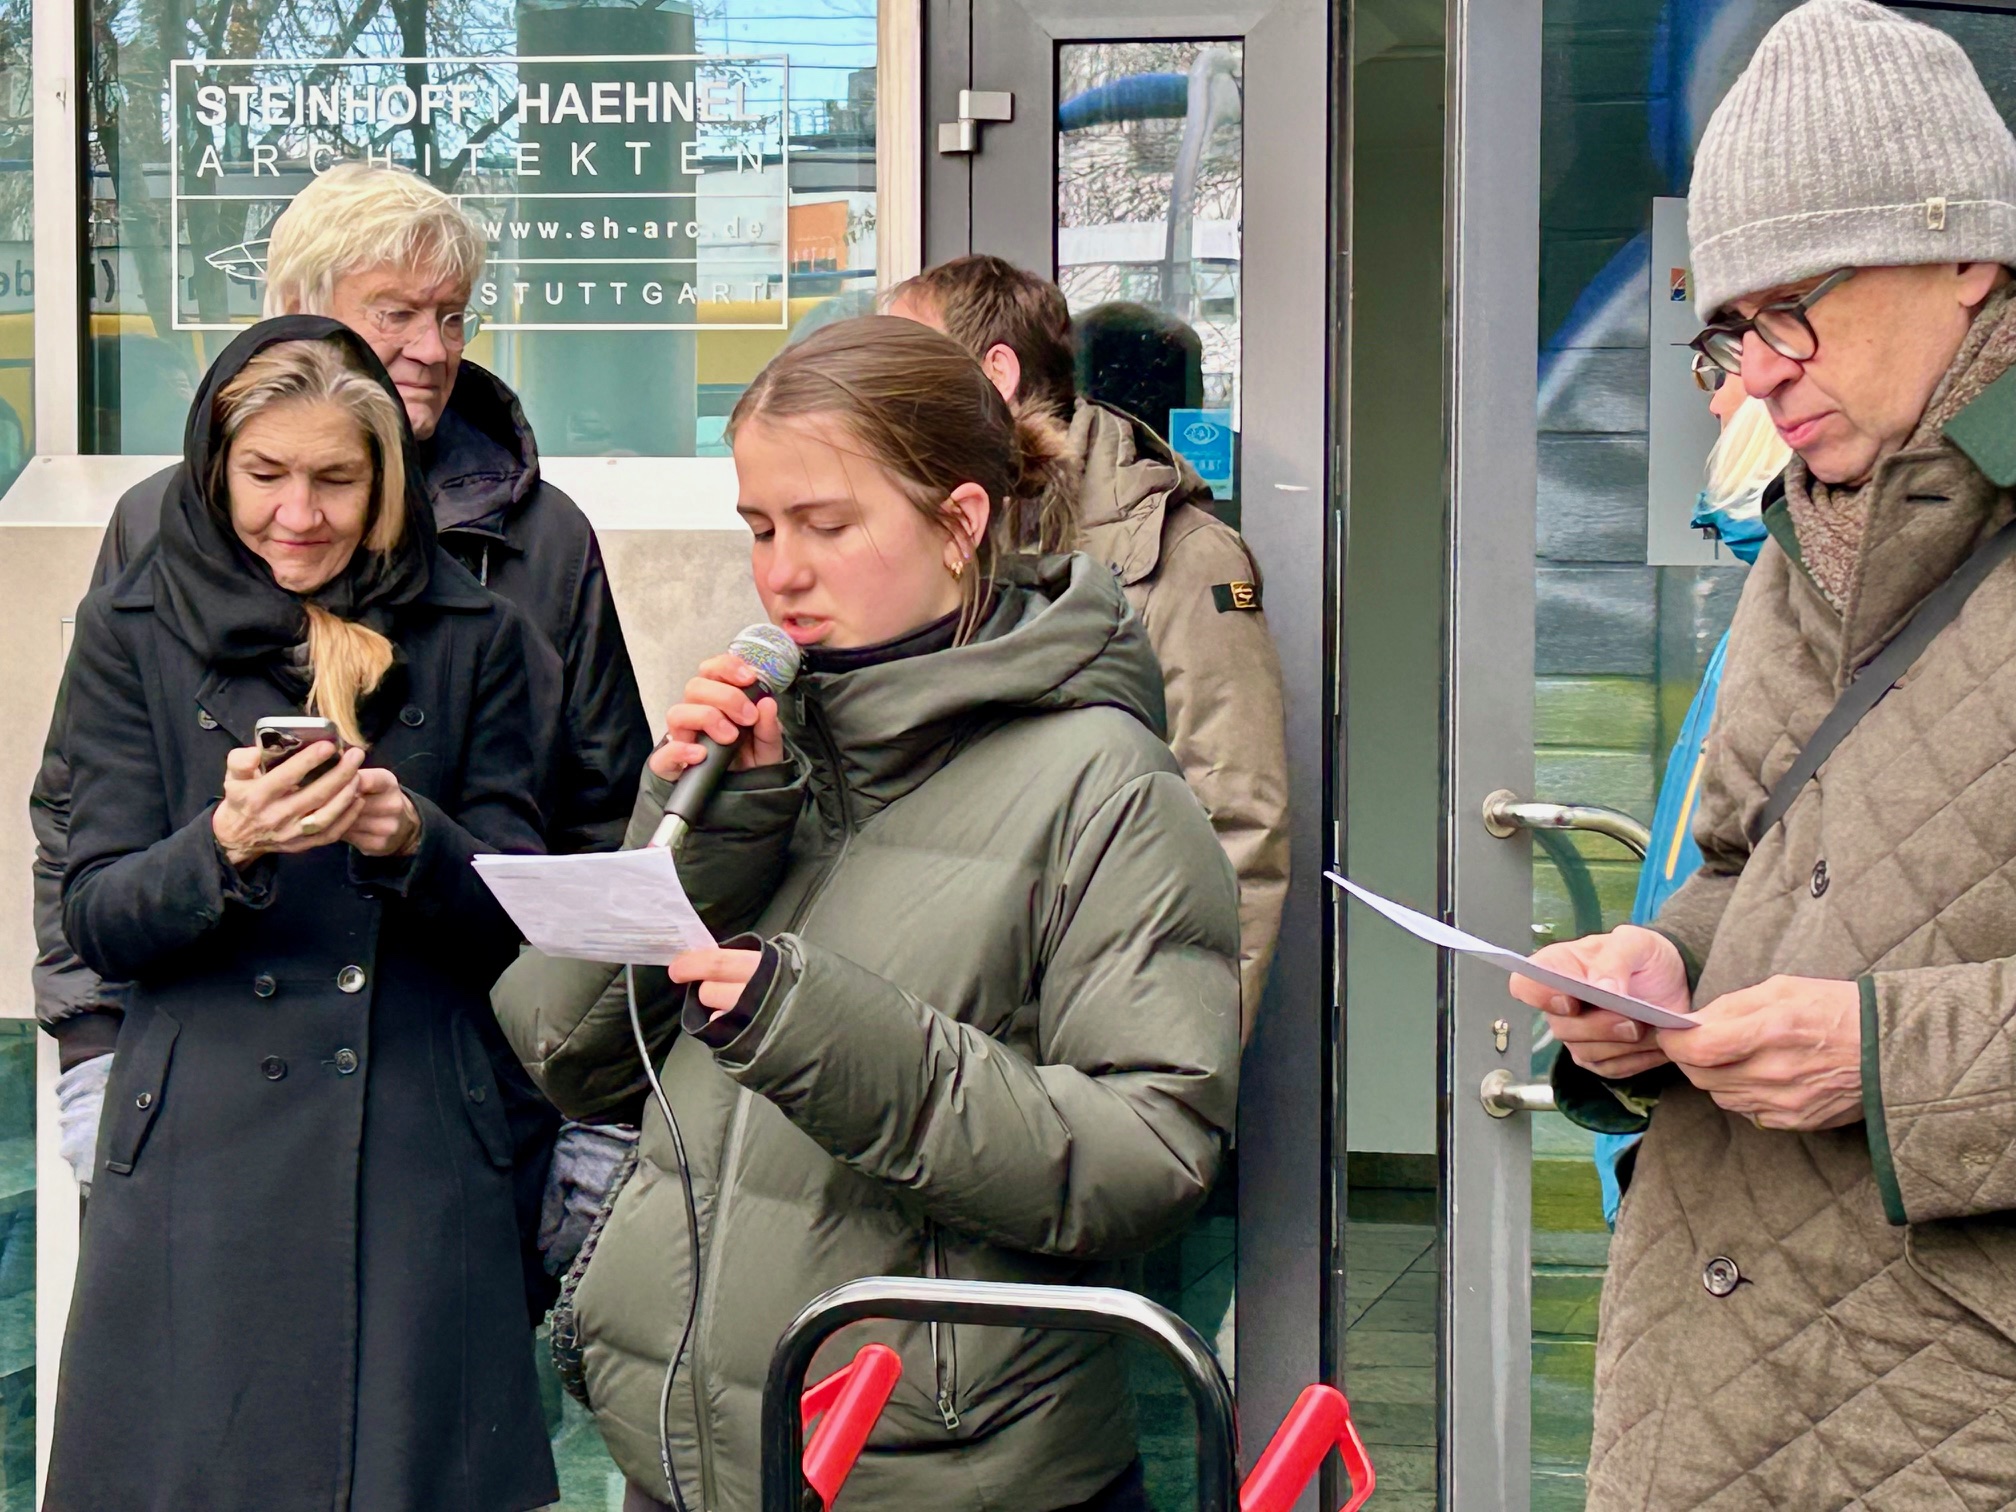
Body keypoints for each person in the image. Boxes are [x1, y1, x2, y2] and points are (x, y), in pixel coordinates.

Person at [492, 316, 1240, 1512]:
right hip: (682, 1457)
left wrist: (820, 1033)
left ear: (961, 522)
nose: (781, 572)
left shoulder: (1104, 784)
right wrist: (700, 836)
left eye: (827, 526)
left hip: (932, 1471)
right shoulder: (761, 756)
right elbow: (564, 1052)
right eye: (759, 528)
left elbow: (1150, 1156)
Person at [1511, 2, 2016, 1503]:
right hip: (1707, 1377)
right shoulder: (1807, 533)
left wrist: (1888, 1057)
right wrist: (1659, 966)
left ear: (1968, 255)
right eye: (1730, 326)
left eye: (1794, 306)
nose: (1756, 375)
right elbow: (1752, 862)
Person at [32, 161, 652, 1296]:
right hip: (207, 1094)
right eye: (395, 312)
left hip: (454, 1095)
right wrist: (91, 1055)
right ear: (296, 316)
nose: (430, 347)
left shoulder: (541, 541)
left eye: (452, 316)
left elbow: (600, 822)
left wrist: (593, 1103)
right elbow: (84, 814)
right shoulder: (165, 525)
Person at [44, 318, 559, 1511]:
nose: (299, 515)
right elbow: (96, 915)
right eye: (266, 475)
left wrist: (411, 838)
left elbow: (523, 921)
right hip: (200, 1153)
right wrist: (225, 845)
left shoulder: (479, 634)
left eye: (336, 479)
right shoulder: (133, 628)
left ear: (387, 482)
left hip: (412, 1146)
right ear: (214, 470)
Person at [884, 257, 1287, 1039]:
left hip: (1094, 1039)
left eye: (903, 367)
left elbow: (1236, 829)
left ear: (995, 374)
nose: (880, 396)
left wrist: (1178, 1069)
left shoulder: (1180, 556)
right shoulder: (926, 537)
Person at [1588, 387, 1788, 1226]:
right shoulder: (1766, 611)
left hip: (1759, 1137)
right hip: (1690, 1109)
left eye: (1726, 358)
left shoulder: (1814, 620)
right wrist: (1667, 951)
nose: (1717, 397)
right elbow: (1717, 868)